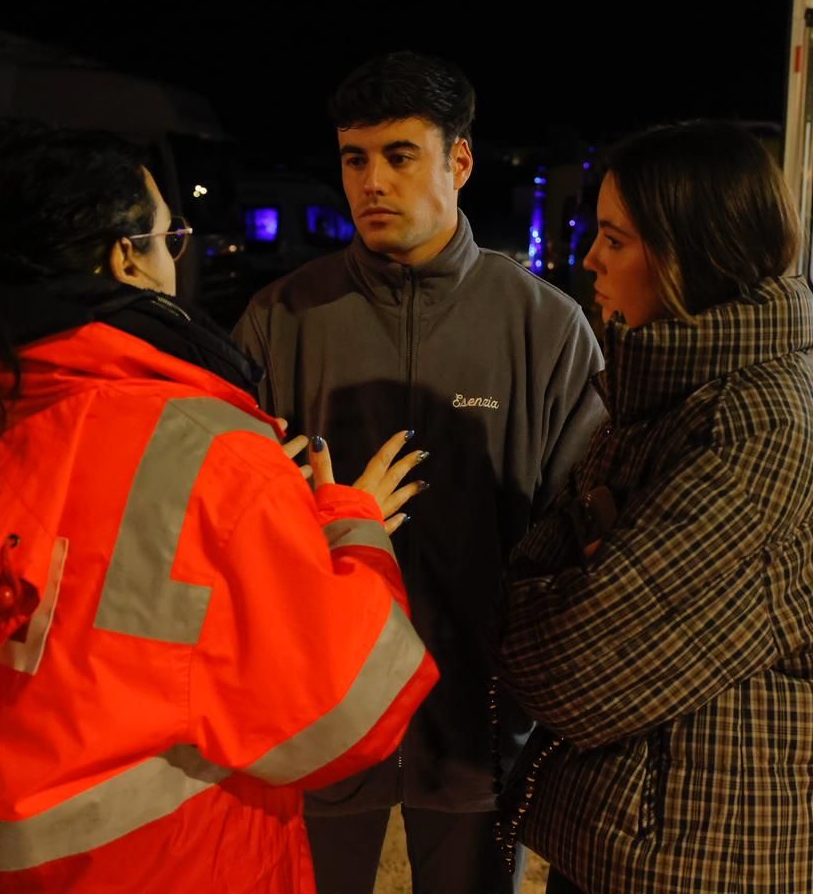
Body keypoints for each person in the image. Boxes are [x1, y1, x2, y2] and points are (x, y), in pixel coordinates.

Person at [0, 120, 437, 892]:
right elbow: (345, 710)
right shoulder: (205, 451)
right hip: (164, 870)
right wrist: (350, 525)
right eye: (170, 236)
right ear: (126, 257)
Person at [233, 51, 604, 893]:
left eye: (400, 156)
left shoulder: (544, 327)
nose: (372, 182)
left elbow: (582, 531)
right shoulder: (280, 320)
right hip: (319, 717)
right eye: (354, 159)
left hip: (477, 723)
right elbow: (229, 523)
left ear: (459, 161)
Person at [495, 119, 813, 893]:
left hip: (720, 863)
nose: (589, 259)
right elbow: (552, 560)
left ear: (689, 258)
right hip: (655, 838)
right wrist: (576, 576)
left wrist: (566, 584)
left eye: (615, 239)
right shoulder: (673, 395)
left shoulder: (754, 430)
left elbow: (572, 667)